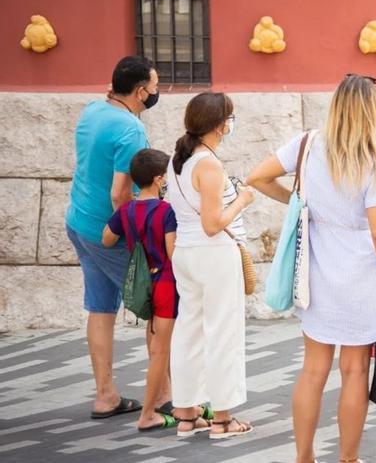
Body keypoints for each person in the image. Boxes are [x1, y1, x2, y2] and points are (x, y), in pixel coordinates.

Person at [247, 74, 376, 463]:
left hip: (316, 270)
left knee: (313, 370)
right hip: (362, 275)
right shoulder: (375, 159)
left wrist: (299, 203)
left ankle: (304, 457)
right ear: (371, 111)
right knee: (353, 371)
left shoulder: (308, 143)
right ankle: (347, 459)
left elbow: (257, 177)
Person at [65, 55, 158, 419]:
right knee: (157, 308)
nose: (156, 93)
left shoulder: (93, 110)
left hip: (79, 222)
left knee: (100, 308)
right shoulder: (130, 129)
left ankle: (106, 395)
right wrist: (138, 244)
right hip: (108, 232)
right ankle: (163, 396)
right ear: (139, 91)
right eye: (154, 87)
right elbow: (121, 195)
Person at [165, 92, 255, 438]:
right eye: (230, 118)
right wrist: (244, 200)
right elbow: (213, 223)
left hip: (187, 254)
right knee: (223, 333)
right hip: (213, 254)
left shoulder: (177, 162)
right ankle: (222, 418)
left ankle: (185, 414)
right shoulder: (208, 164)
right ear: (220, 124)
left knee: (189, 331)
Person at [102, 148, 179, 431]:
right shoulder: (166, 210)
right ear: (159, 179)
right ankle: (148, 414)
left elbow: (107, 239)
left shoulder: (127, 210)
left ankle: (168, 399)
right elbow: (172, 252)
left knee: (156, 342)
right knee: (161, 350)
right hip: (166, 284)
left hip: (143, 283)